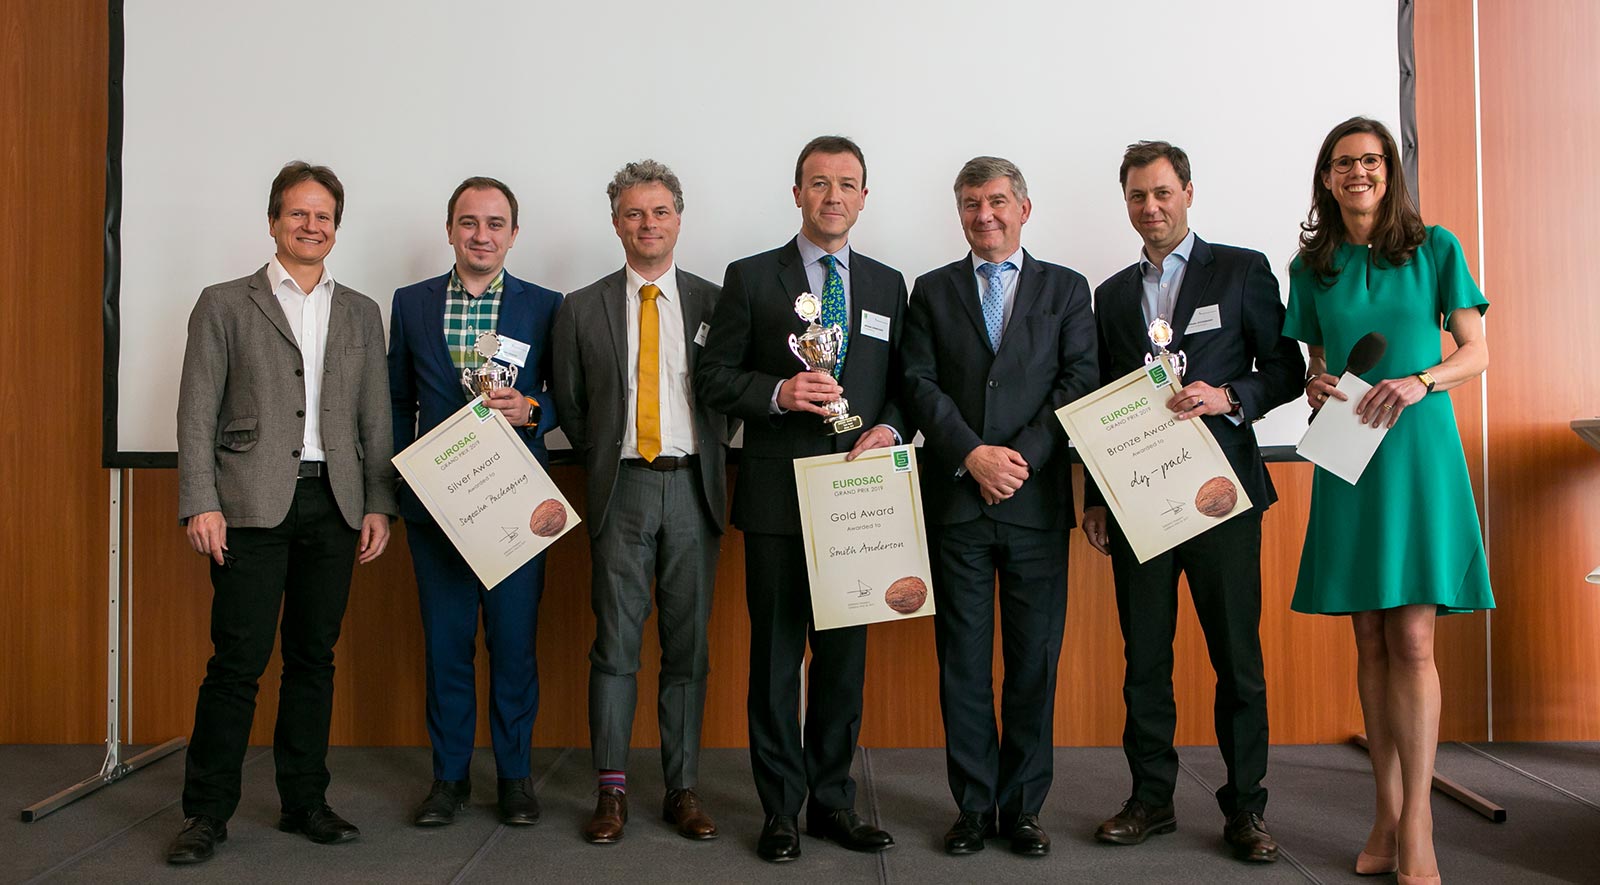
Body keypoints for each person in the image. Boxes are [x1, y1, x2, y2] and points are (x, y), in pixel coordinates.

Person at [1081, 141, 1305, 863]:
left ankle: (1246, 809)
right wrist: (1094, 498)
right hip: (1139, 502)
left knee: (1236, 658)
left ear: (1188, 192)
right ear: (1126, 203)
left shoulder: (1240, 270)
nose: (1151, 207)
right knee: (1144, 658)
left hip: (1220, 497)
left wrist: (1230, 395)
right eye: (1137, 196)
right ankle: (1150, 800)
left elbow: (1286, 369)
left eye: (1162, 192)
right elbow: (1100, 403)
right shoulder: (1112, 294)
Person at [169, 161, 396, 864]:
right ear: (273, 221)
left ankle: (305, 801)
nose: (311, 225)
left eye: (323, 215)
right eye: (298, 213)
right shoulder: (223, 303)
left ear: (337, 228)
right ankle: (206, 813)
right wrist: (200, 502)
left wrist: (379, 503)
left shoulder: (360, 311)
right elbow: (196, 409)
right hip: (247, 504)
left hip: (336, 503)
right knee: (237, 662)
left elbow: (375, 417)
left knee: (312, 659)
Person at [1289, 117, 1491, 885]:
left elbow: (1477, 350)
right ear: (1327, 176)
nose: (1359, 173)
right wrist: (1315, 384)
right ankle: (1385, 811)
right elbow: (1317, 362)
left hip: (1418, 452)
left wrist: (1421, 380)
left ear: (1389, 170)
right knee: (1368, 637)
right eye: (1344, 163)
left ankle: (1419, 824)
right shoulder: (1311, 266)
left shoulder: (1436, 247)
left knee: (1411, 637)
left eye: (1371, 160)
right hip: (1350, 453)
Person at [695, 135, 906, 863]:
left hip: (859, 499)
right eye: (819, 183)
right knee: (777, 662)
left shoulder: (888, 284)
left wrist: (890, 428)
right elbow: (713, 377)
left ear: (864, 198)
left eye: (847, 184)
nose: (833, 196)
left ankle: (834, 803)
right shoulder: (753, 277)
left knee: (843, 663)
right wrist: (779, 392)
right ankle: (780, 809)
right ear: (797, 194)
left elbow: (906, 385)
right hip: (778, 501)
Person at [899, 157, 1096, 857]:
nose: (984, 214)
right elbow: (918, 381)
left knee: (1034, 663)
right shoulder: (931, 290)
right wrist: (972, 455)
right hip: (957, 502)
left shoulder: (1066, 288)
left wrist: (1020, 459)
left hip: (1035, 504)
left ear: (1023, 208)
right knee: (963, 665)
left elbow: (1079, 381)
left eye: (996, 201)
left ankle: (1023, 808)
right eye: (971, 203)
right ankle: (974, 807)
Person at [551, 160, 728, 844]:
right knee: (616, 644)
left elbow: (731, 394)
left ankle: (682, 788)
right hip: (620, 487)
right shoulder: (580, 307)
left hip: (693, 488)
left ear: (679, 219)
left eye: (659, 211)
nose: (647, 223)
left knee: (688, 647)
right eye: (634, 213)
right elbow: (572, 404)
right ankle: (612, 789)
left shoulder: (717, 302)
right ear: (616, 223)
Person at [388, 177, 562, 828]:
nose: (481, 235)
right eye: (469, 222)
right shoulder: (410, 303)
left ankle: (515, 777)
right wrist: (402, 479)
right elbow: (395, 398)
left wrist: (533, 409)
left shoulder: (546, 306)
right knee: (446, 647)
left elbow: (568, 396)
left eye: (494, 224)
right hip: (436, 508)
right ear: (450, 230)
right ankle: (449, 779)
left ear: (514, 234)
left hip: (515, 503)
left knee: (514, 647)